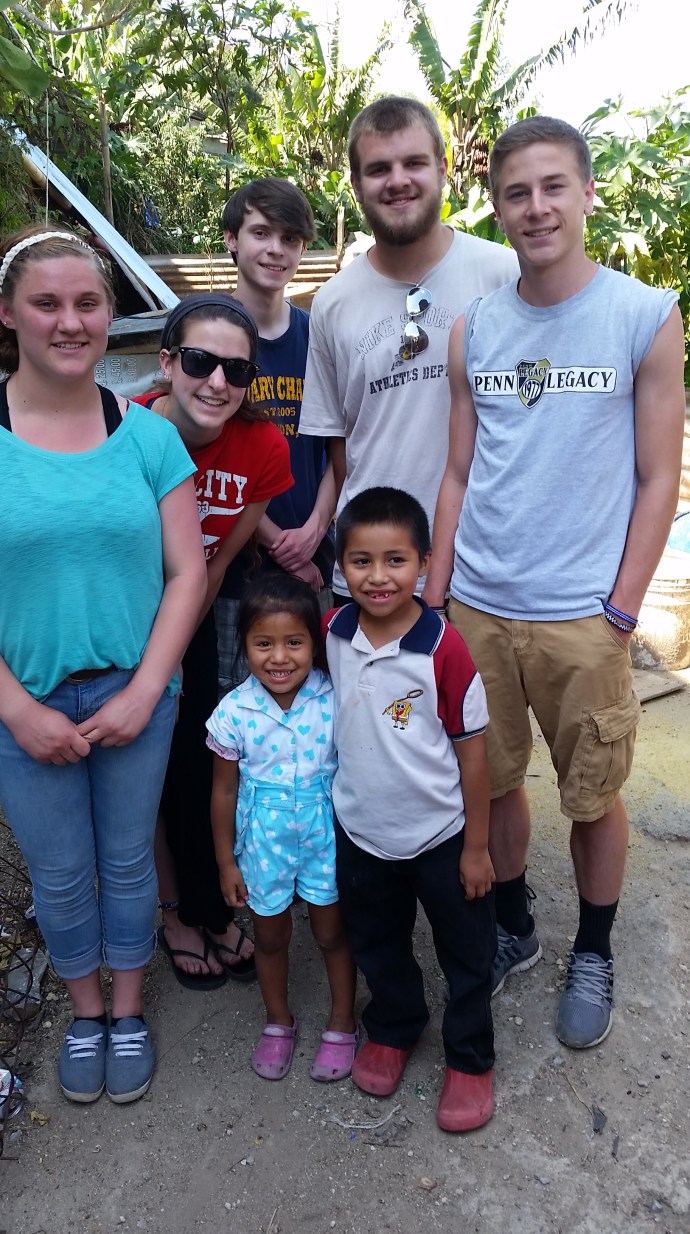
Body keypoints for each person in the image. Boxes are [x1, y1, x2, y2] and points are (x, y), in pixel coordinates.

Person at [424, 116, 686, 1049]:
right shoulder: (474, 328)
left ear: (584, 193)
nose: (535, 207)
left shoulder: (643, 314)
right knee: (491, 787)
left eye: (552, 187)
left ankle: (597, 948)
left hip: (583, 616)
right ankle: (517, 929)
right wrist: (439, 593)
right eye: (516, 192)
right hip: (481, 607)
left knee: (593, 795)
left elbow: (660, 475)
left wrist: (621, 606)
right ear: (496, 204)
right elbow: (458, 472)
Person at [0, 226, 206, 1103]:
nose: (70, 321)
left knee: (127, 860)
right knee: (57, 869)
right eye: (47, 302)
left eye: (87, 302)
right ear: (9, 314)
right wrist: (15, 709)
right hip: (23, 701)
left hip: (136, 694)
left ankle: (128, 1008)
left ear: (110, 313)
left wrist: (147, 690)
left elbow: (188, 569)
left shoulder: (149, 438)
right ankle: (84, 1013)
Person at [324, 487, 496, 1133]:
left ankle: (471, 1055)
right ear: (340, 566)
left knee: (467, 949)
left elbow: (473, 755)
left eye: (395, 560)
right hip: (362, 831)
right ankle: (395, 1025)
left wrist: (478, 848)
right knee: (376, 941)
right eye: (360, 561)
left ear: (424, 563)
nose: (378, 576)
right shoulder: (333, 634)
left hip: (440, 836)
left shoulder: (443, 649)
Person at [299, 96, 519, 599]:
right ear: (356, 186)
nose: (397, 180)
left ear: (443, 168)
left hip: (483, 569)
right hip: (370, 576)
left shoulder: (504, 274)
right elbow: (339, 441)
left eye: (414, 163)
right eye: (378, 169)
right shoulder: (332, 302)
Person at [135, 295, 293, 988]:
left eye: (237, 370)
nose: (218, 382)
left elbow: (221, 559)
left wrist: (176, 648)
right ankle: (176, 913)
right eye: (200, 362)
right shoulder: (127, 429)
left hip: (193, 614)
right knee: (151, 772)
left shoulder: (262, 445)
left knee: (202, 763)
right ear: (168, 362)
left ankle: (213, 907)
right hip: (121, 621)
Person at [207, 573, 357, 1082]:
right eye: (263, 643)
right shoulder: (233, 713)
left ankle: (342, 1022)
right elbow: (223, 791)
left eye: (294, 642)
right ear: (243, 644)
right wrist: (227, 862)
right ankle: (278, 1022)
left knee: (332, 933)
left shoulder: (334, 700)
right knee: (270, 938)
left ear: (314, 644)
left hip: (326, 838)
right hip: (262, 846)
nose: (279, 657)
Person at [216, 178, 336, 691]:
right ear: (231, 239)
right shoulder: (211, 334)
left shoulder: (319, 335)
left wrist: (312, 532)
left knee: (317, 708)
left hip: (314, 563)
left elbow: (340, 444)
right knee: (232, 713)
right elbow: (202, 449)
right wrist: (276, 541)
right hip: (236, 568)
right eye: (261, 232)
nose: (275, 249)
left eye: (290, 238)